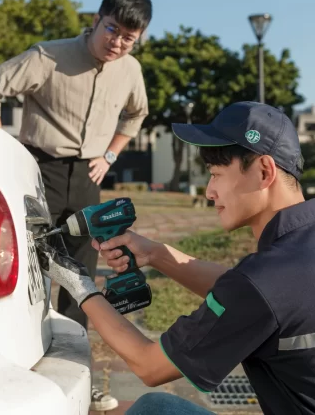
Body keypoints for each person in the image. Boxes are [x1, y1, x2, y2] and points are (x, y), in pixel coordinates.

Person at [35, 101, 315, 415]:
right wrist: (155, 253)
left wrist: (79, 284)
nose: (210, 192)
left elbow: (149, 365)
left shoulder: (264, 282)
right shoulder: (291, 259)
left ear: (264, 171)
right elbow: (252, 294)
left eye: (217, 174)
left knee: (153, 410)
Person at [0, 0, 152, 411]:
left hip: (88, 177)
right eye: (112, 30)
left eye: (129, 38)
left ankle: (75, 378)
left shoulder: (130, 71)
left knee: (80, 278)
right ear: (96, 19)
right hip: (39, 171)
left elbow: (137, 112)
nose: (118, 43)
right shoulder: (47, 56)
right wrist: (2, 148)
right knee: (24, 267)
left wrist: (110, 154)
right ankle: (11, 371)